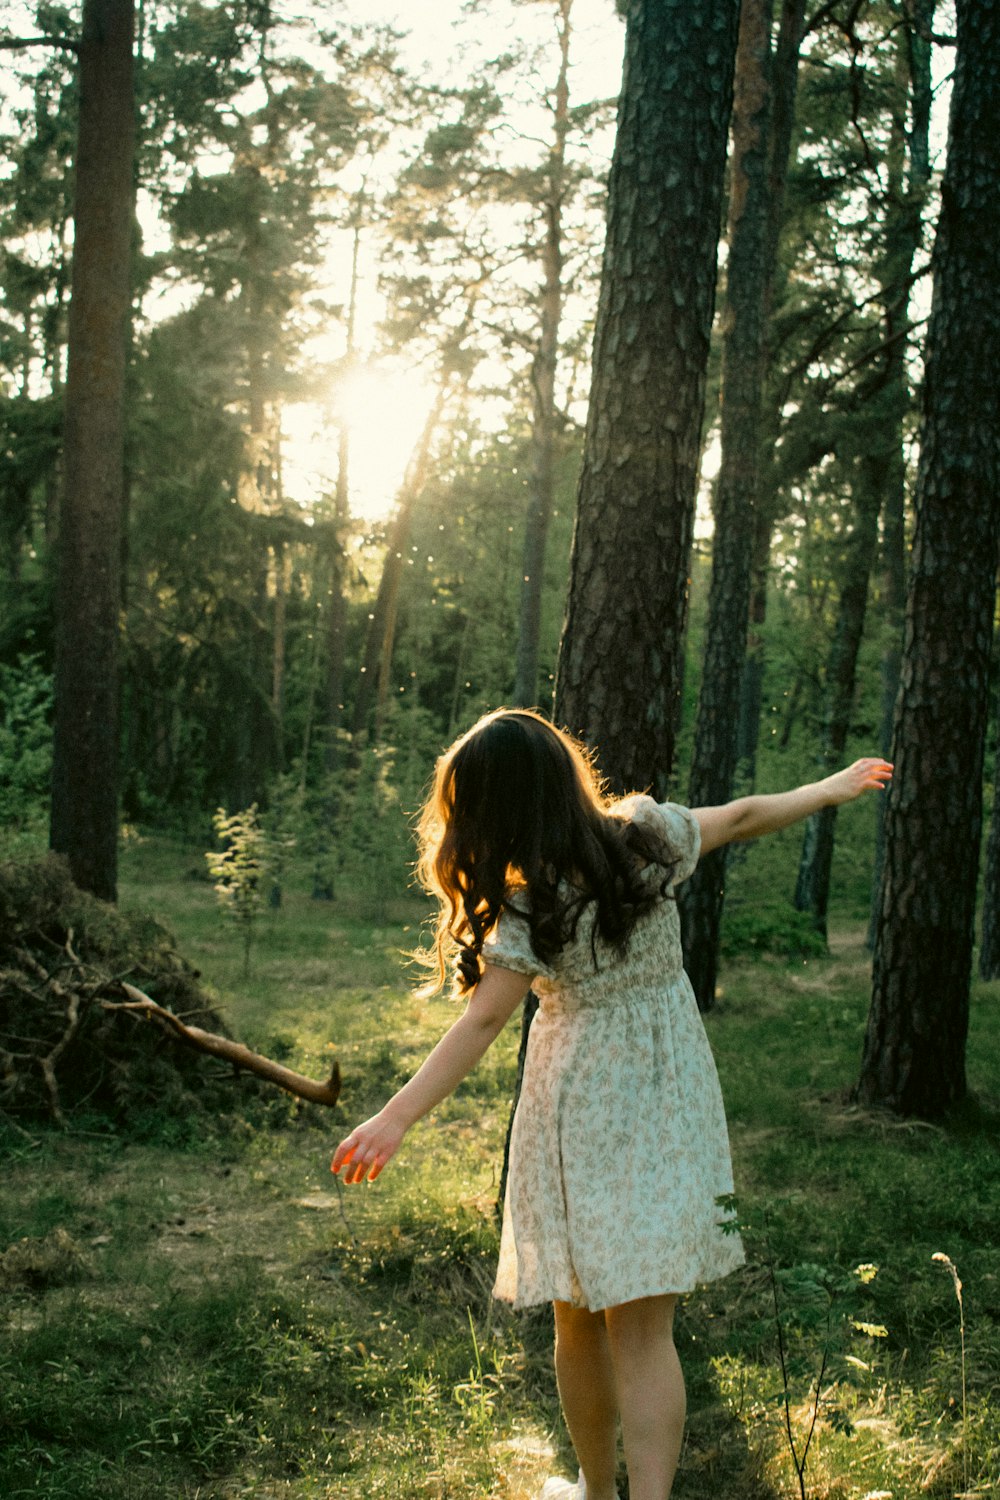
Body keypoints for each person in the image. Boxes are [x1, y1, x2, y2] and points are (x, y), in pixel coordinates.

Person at [331, 708, 892, 1500]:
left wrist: (394, 1117)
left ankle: (600, 1493)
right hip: (668, 1097)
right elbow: (741, 816)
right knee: (643, 1328)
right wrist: (830, 789)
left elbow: (485, 1019)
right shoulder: (645, 838)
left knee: (577, 1318)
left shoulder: (531, 903)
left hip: (579, 1107)